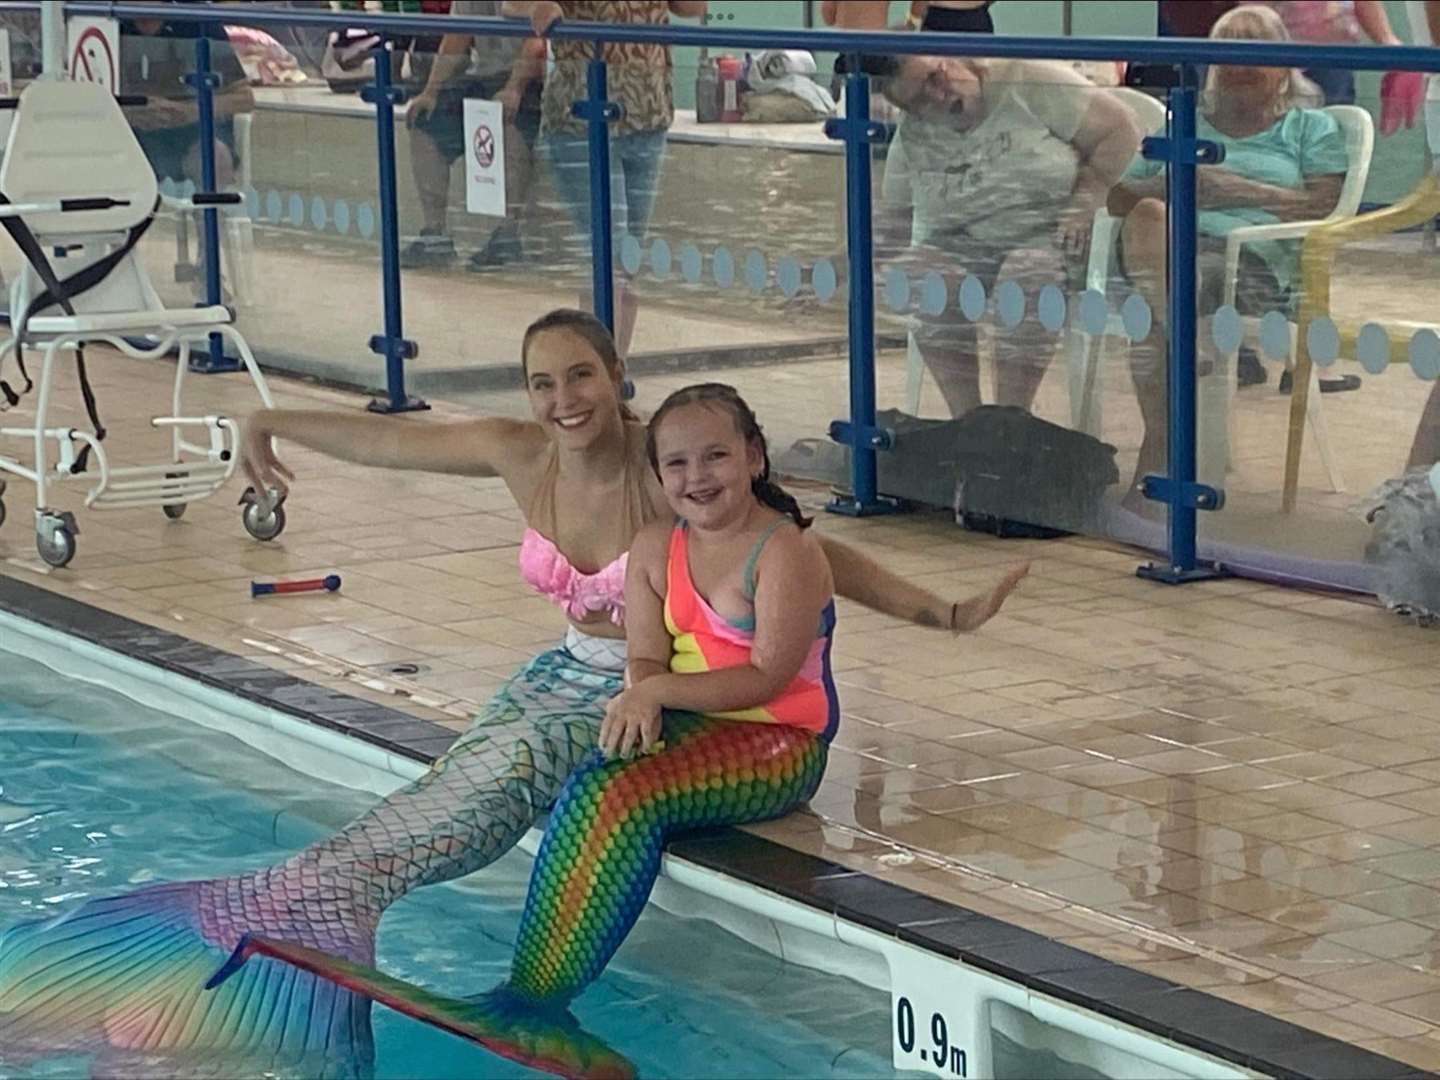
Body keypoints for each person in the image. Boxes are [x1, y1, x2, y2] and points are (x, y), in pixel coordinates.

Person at [0, 309, 1026, 1076]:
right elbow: (394, 441)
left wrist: (939, 613)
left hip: (677, 708)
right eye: (543, 381)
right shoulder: (543, 459)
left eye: (581, 375)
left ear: (619, 376)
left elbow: (800, 561)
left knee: (510, 799)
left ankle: (392, 973)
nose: (563, 398)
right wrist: (271, 419)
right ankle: (275, 926)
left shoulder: (661, 466)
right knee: (431, 804)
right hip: (576, 683)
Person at [218, 383, 872, 1077]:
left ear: (754, 457)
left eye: (716, 457)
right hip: (697, 725)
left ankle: (533, 1003)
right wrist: (641, 694)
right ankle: (527, 997)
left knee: (620, 798)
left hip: (779, 746)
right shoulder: (657, 546)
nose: (697, 477)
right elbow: (644, 655)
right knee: (590, 780)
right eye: (677, 464)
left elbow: (769, 677)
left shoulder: (785, 552)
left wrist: (654, 692)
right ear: (658, 476)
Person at [1108, 4, 1351, 512]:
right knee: (1152, 215)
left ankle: (1158, 458)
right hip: (1174, 256)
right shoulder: (1187, 120)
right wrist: (1183, 182)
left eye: (1253, 53)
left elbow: (1323, 206)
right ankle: (1177, 344)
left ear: (1283, 67)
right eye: (1228, 54)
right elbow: (1119, 198)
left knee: (1151, 323)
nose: (1238, 65)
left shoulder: (1311, 128)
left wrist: (1237, 189)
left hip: (1254, 263)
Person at [875, 52, 1141, 416]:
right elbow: (895, 219)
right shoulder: (915, 133)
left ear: (953, 58)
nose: (938, 95)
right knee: (920, 277)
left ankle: (1012, 418)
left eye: (937, 76)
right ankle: (968, 420)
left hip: (1052, 231)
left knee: (1026, 275)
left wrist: (1087, 196)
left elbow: (1121, 129)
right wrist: (837, 267)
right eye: (921, 98)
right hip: (966, 238)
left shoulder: (1027, 80)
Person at [503, 1, 708, 359]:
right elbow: (512, 4)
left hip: (648, 115)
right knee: (608, 258)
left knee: (625, 261)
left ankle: (614, 371)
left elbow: (692, 8)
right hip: (582, 119)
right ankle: (601, 374)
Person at [400, 1, 547, 271]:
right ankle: (435, 235)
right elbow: (457, 36)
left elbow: (538, 41)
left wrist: (514, 87)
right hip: (484, 76)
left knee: (511, 125)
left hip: (534, 79)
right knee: (424, 124)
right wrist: (431, 91)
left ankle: (508, 233)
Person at [119, 9, 254, 187]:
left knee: (214, 155)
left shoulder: (196, 20)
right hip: (126, 131)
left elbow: (244, 98)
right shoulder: (101, 18)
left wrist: (191, 111)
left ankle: (211, 211)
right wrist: (127, 113)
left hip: (192, 130)